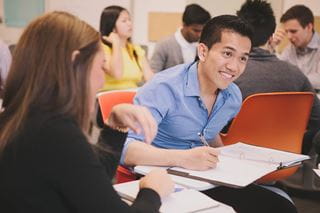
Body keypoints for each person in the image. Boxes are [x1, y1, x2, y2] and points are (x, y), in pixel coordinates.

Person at [0, 11, 174, 212]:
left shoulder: (20, 119)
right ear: (75, 63)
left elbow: (87, 177)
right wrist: (152, 191)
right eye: (101, 66)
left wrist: (115, 127)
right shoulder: (55, 133)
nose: (102, 80)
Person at [121, 15, 297, 213]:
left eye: (242, 58)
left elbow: (208, 131)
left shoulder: (232, 96)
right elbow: (126, 149)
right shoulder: (164, 88)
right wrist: (183, 158)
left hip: (203, 177)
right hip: (160, 180)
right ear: (203, 51)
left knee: (281, 207)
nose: (234, 67)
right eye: (227, 54)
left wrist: (229, 160)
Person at [233, 0, 320, 155]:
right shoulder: (296, 75)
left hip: (235, 157)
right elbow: (317, 119)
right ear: (271, 36)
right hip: (285, 158)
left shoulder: (230, 74)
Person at [100, 5, 154, 91]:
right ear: (112, 26)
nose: (129, 24)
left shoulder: (136, 49)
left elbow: (150, 79)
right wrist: (116, 44)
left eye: (129, 20)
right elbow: (117, 74)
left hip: (132, 96)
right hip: (108, 97)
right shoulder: (101, 48)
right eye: (124, 21)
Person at [272, 5, 320, 93]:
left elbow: (318, 81)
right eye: (287, 32)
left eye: (293, 31)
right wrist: (272, 47)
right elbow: (277, 72)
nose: (289, 37)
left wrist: (292, 78)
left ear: (309, 27)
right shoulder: (290, 48)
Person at [150, 4, 211, 72]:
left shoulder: (204, 46)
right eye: (196, 30)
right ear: (184, 25)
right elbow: (153, 74)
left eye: (202, 30)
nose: (199, 35)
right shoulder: (164, 45)